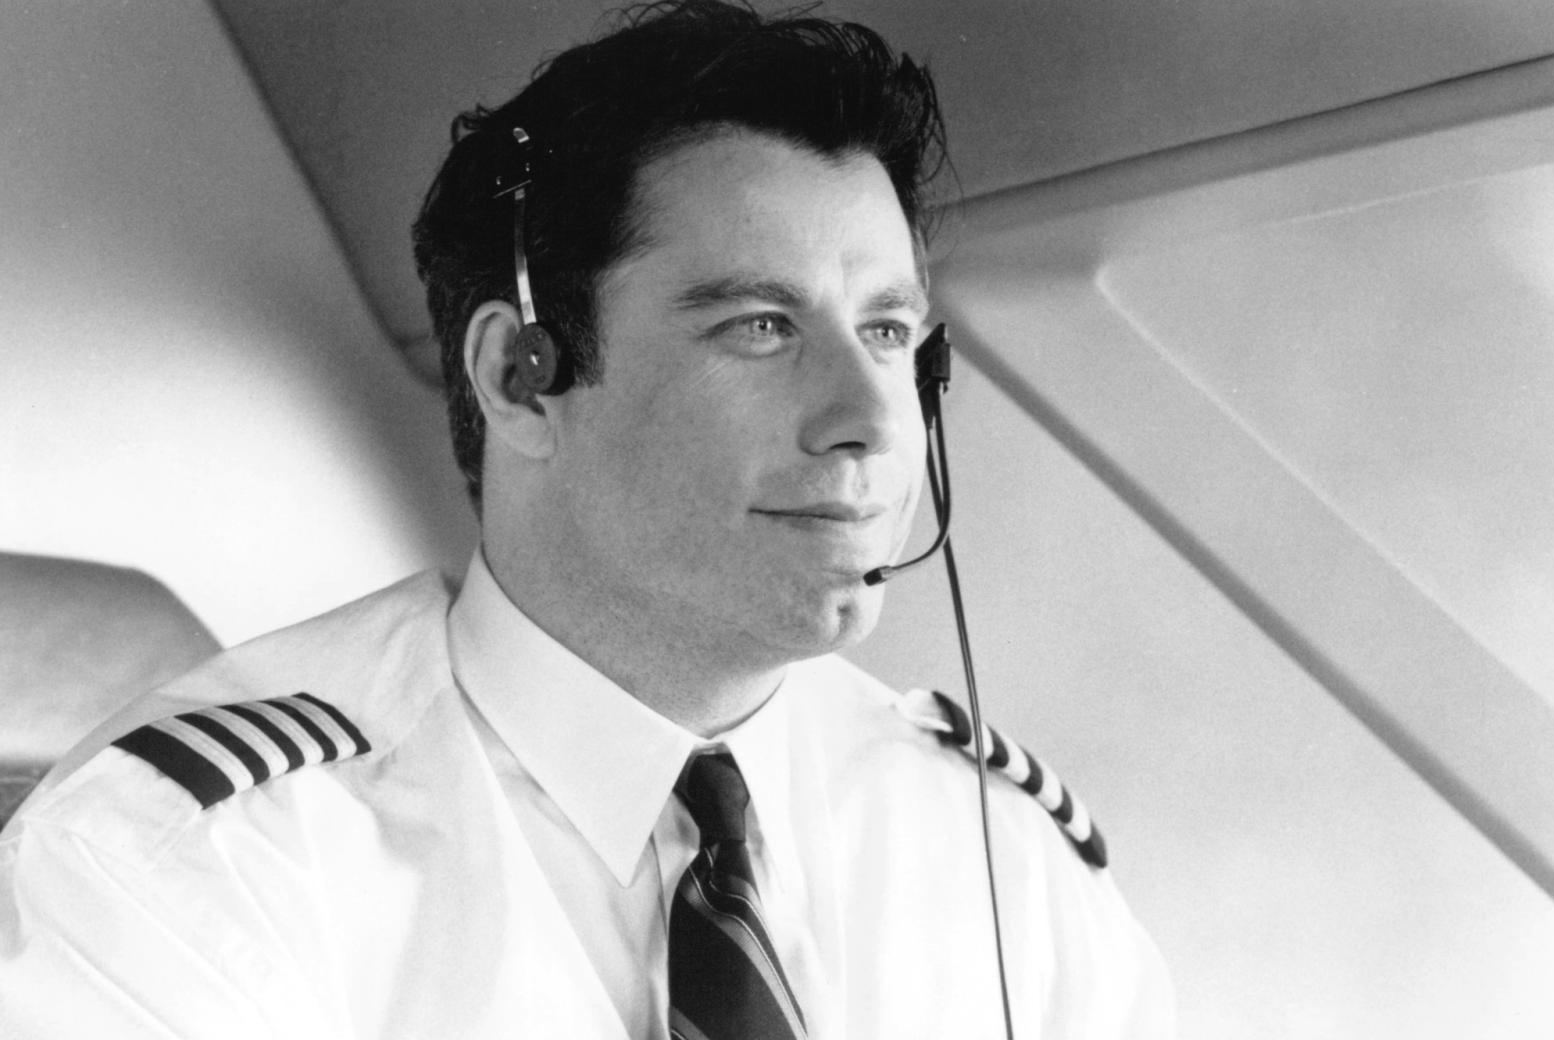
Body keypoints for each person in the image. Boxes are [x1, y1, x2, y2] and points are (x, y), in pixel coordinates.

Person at [0, 2, 1173, 1036]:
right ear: (520, 377)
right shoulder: (195, 861)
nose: (870, 419)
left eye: (886, 331)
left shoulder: (1002, 852)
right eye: (760, 326)